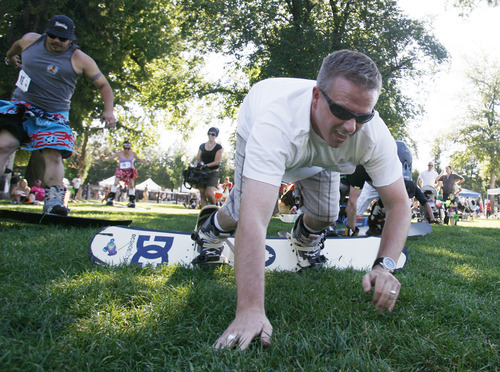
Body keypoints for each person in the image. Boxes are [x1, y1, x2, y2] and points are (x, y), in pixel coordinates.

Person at [191, 50, 411, 350]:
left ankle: (304, 240)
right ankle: (211, 228)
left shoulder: (371, 133)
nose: (350, 126)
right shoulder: (275, 122)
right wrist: (250, 309)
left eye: (362, 116)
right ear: (317, 96)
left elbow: (399, 203)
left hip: (319, 155)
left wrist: (385, 266)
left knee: (326, 214)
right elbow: (257, 217)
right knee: (242, 211)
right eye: (343, 112)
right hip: (265, 126)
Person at [0, 15, 116, 215]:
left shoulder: (80, 59)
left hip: (52, 115)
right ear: (47, 33)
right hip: (21, 107)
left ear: (70, 39)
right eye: (53, 36)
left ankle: (53, 202)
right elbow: (16, 46)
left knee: (53, 154)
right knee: (3, 145)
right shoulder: (30, 40)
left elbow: (104, 85)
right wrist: (10, 57)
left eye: (62, 39)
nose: (56, 41)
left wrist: (109, 110)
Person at [101, 141, 149, 208]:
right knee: (116, 182)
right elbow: (110, 158)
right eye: (125, 145)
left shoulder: (133, 153)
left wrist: (145, 161)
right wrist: (104, 158)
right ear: (123, 146)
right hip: (120, 169)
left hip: (129, 170)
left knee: (131, 185)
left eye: (128, 145)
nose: (127, 146)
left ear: (130, 146)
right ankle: (111, 199)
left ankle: (132, 201)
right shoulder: (119, 153)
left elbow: (138, 159)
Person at [195, 127, 223, 207]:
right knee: (202, 193)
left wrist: (206, 165)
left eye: (213, 134)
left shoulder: (218, 147)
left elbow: (217, 161)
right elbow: (198, 158)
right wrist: (196, 163)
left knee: (209, 193)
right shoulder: (202, 146)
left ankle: (214, 208)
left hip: (213, 172)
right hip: (202, 173)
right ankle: (205, 213)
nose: (211, 135)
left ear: (216, 135)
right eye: (209, 133)